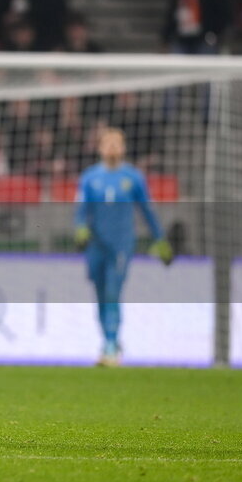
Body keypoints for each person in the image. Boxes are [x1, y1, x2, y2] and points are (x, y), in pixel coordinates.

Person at [74, 127, 172, 367]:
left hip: (121, 244)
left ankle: (110, 345)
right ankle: (109, 340)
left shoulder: (133, 178)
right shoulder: (89, 177)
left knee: (112, 293)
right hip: (96, 245)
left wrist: (159, 238)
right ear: (100, 148)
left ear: (124, 148)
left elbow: (146, 210)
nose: (112, 148)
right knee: (99, 295)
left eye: (117, 144)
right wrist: (80, 228)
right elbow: (80, 210)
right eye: (108, 144)